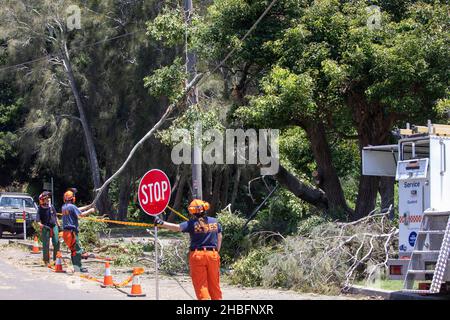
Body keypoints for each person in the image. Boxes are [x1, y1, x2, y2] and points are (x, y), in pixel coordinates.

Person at [154, 199, 223, 300]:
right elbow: (219, 236)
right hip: (213, 255)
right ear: (205, 208)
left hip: (198, 255)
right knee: (214, 284)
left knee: (201, 285)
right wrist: (216, 251)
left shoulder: (192, 224)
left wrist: (161, 223)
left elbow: (177, 227)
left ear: (192, 212)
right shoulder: (215, 222)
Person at [61, 188, 95, 273]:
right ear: (72, 198)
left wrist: (88, 206)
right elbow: (81, 214)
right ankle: (78, 268)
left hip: (66, 233)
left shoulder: (64, 207)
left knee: (74, 250)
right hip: (71, 233)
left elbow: (77, 209)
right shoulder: (71, 207)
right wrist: (90, 210)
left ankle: (76, 267)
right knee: (77, 250)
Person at [36, 191, 60, 266]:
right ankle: (46, 260)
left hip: (54, 226)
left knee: (56, 243)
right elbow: (38, 221)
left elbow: (55, 217)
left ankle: (56, 260)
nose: (48, 199)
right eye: (46, 198)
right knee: (46, 244)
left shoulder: (51, 206)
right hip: (46, 227)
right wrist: (41, 226)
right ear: (42, 200)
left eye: (48, 198)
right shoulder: (40, 209)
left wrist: (59, 226)